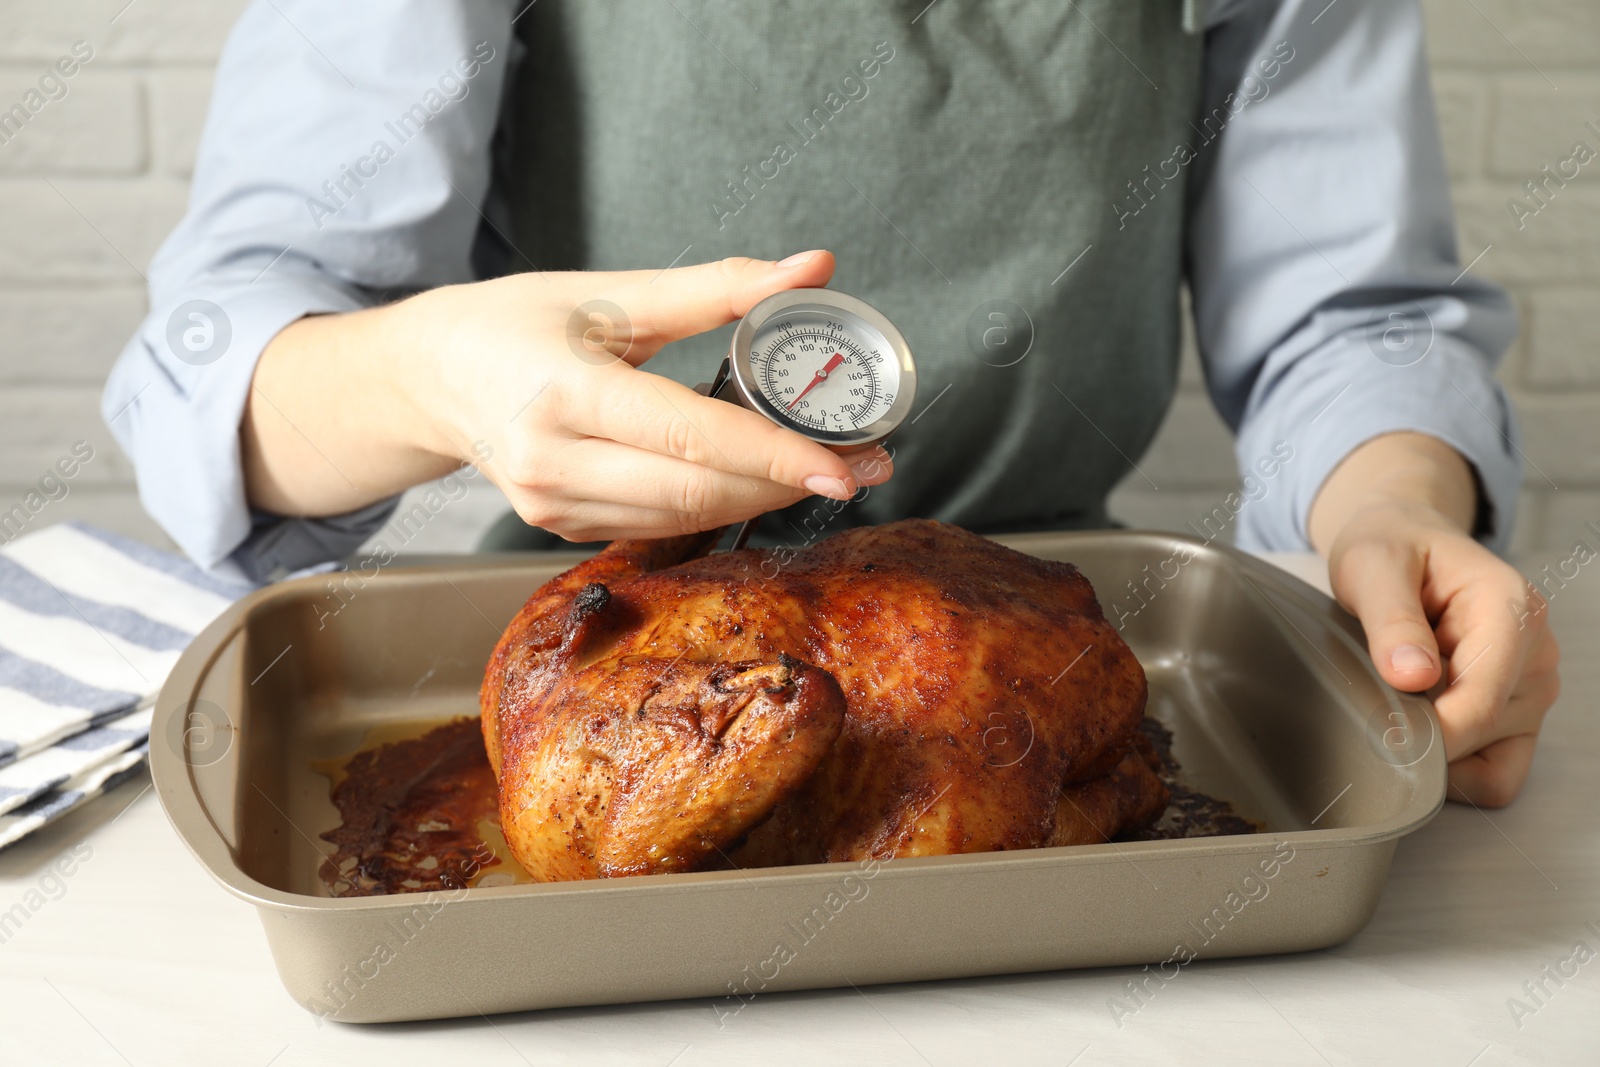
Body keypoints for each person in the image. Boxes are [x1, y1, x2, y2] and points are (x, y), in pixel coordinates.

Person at [102, 0, 1558, 807]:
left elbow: (1347, 315)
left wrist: (1391, 506)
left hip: (1054, 639)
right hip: (596, 629)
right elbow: (224, 361)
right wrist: (429, 376)